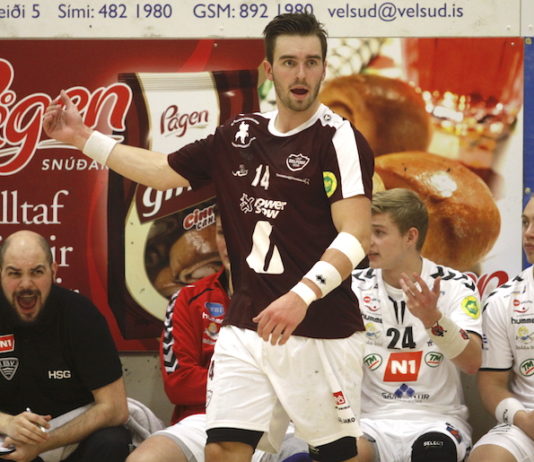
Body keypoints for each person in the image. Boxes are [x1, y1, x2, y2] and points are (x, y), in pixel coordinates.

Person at [43, 12, 374, 462]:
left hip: (319, 328)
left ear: (323, 69)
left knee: (336, 455)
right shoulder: (239, 136)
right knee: (222, 448)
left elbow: (355, 234)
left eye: (311, 62)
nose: (301, 74)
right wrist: (84, 138)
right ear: (268, 70)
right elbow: (162, 171)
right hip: (247, 326)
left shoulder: (339, 139)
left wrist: (301, 296)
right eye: (289, 62)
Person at [127, 212, 310, 462]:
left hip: (275, 420)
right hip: (203, 420)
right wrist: (257, 382)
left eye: (242, 233)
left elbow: (300, 382)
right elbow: (179, 385)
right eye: (224, 233)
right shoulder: (187, 298)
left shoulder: (294, 302)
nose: (230, 243)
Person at [351, 188, 483, 462]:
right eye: (366, 231)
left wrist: (432, 319)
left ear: (410, 237)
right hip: (370, 420)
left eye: (379, 232)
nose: (368, 241)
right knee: (344, 453)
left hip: (437, 419)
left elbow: (472, 362)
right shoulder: (353, 286)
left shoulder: (456, 284)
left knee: (433, 452)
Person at [0, 230, 131, 462]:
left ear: (53, 272)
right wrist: (7, 422)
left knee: (112, 441)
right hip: (7, 439)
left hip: (69, 438)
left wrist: (43, 444)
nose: (26, 284)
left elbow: (115, 408)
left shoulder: (81, 315)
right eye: (14, 273)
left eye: (37, 272)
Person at [468, 196, 534, 462]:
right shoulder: (503, 300)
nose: (528, 234)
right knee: (488, 456)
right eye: (525, 222)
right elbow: (492, 384)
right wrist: (522, 418)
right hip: (527, 420)